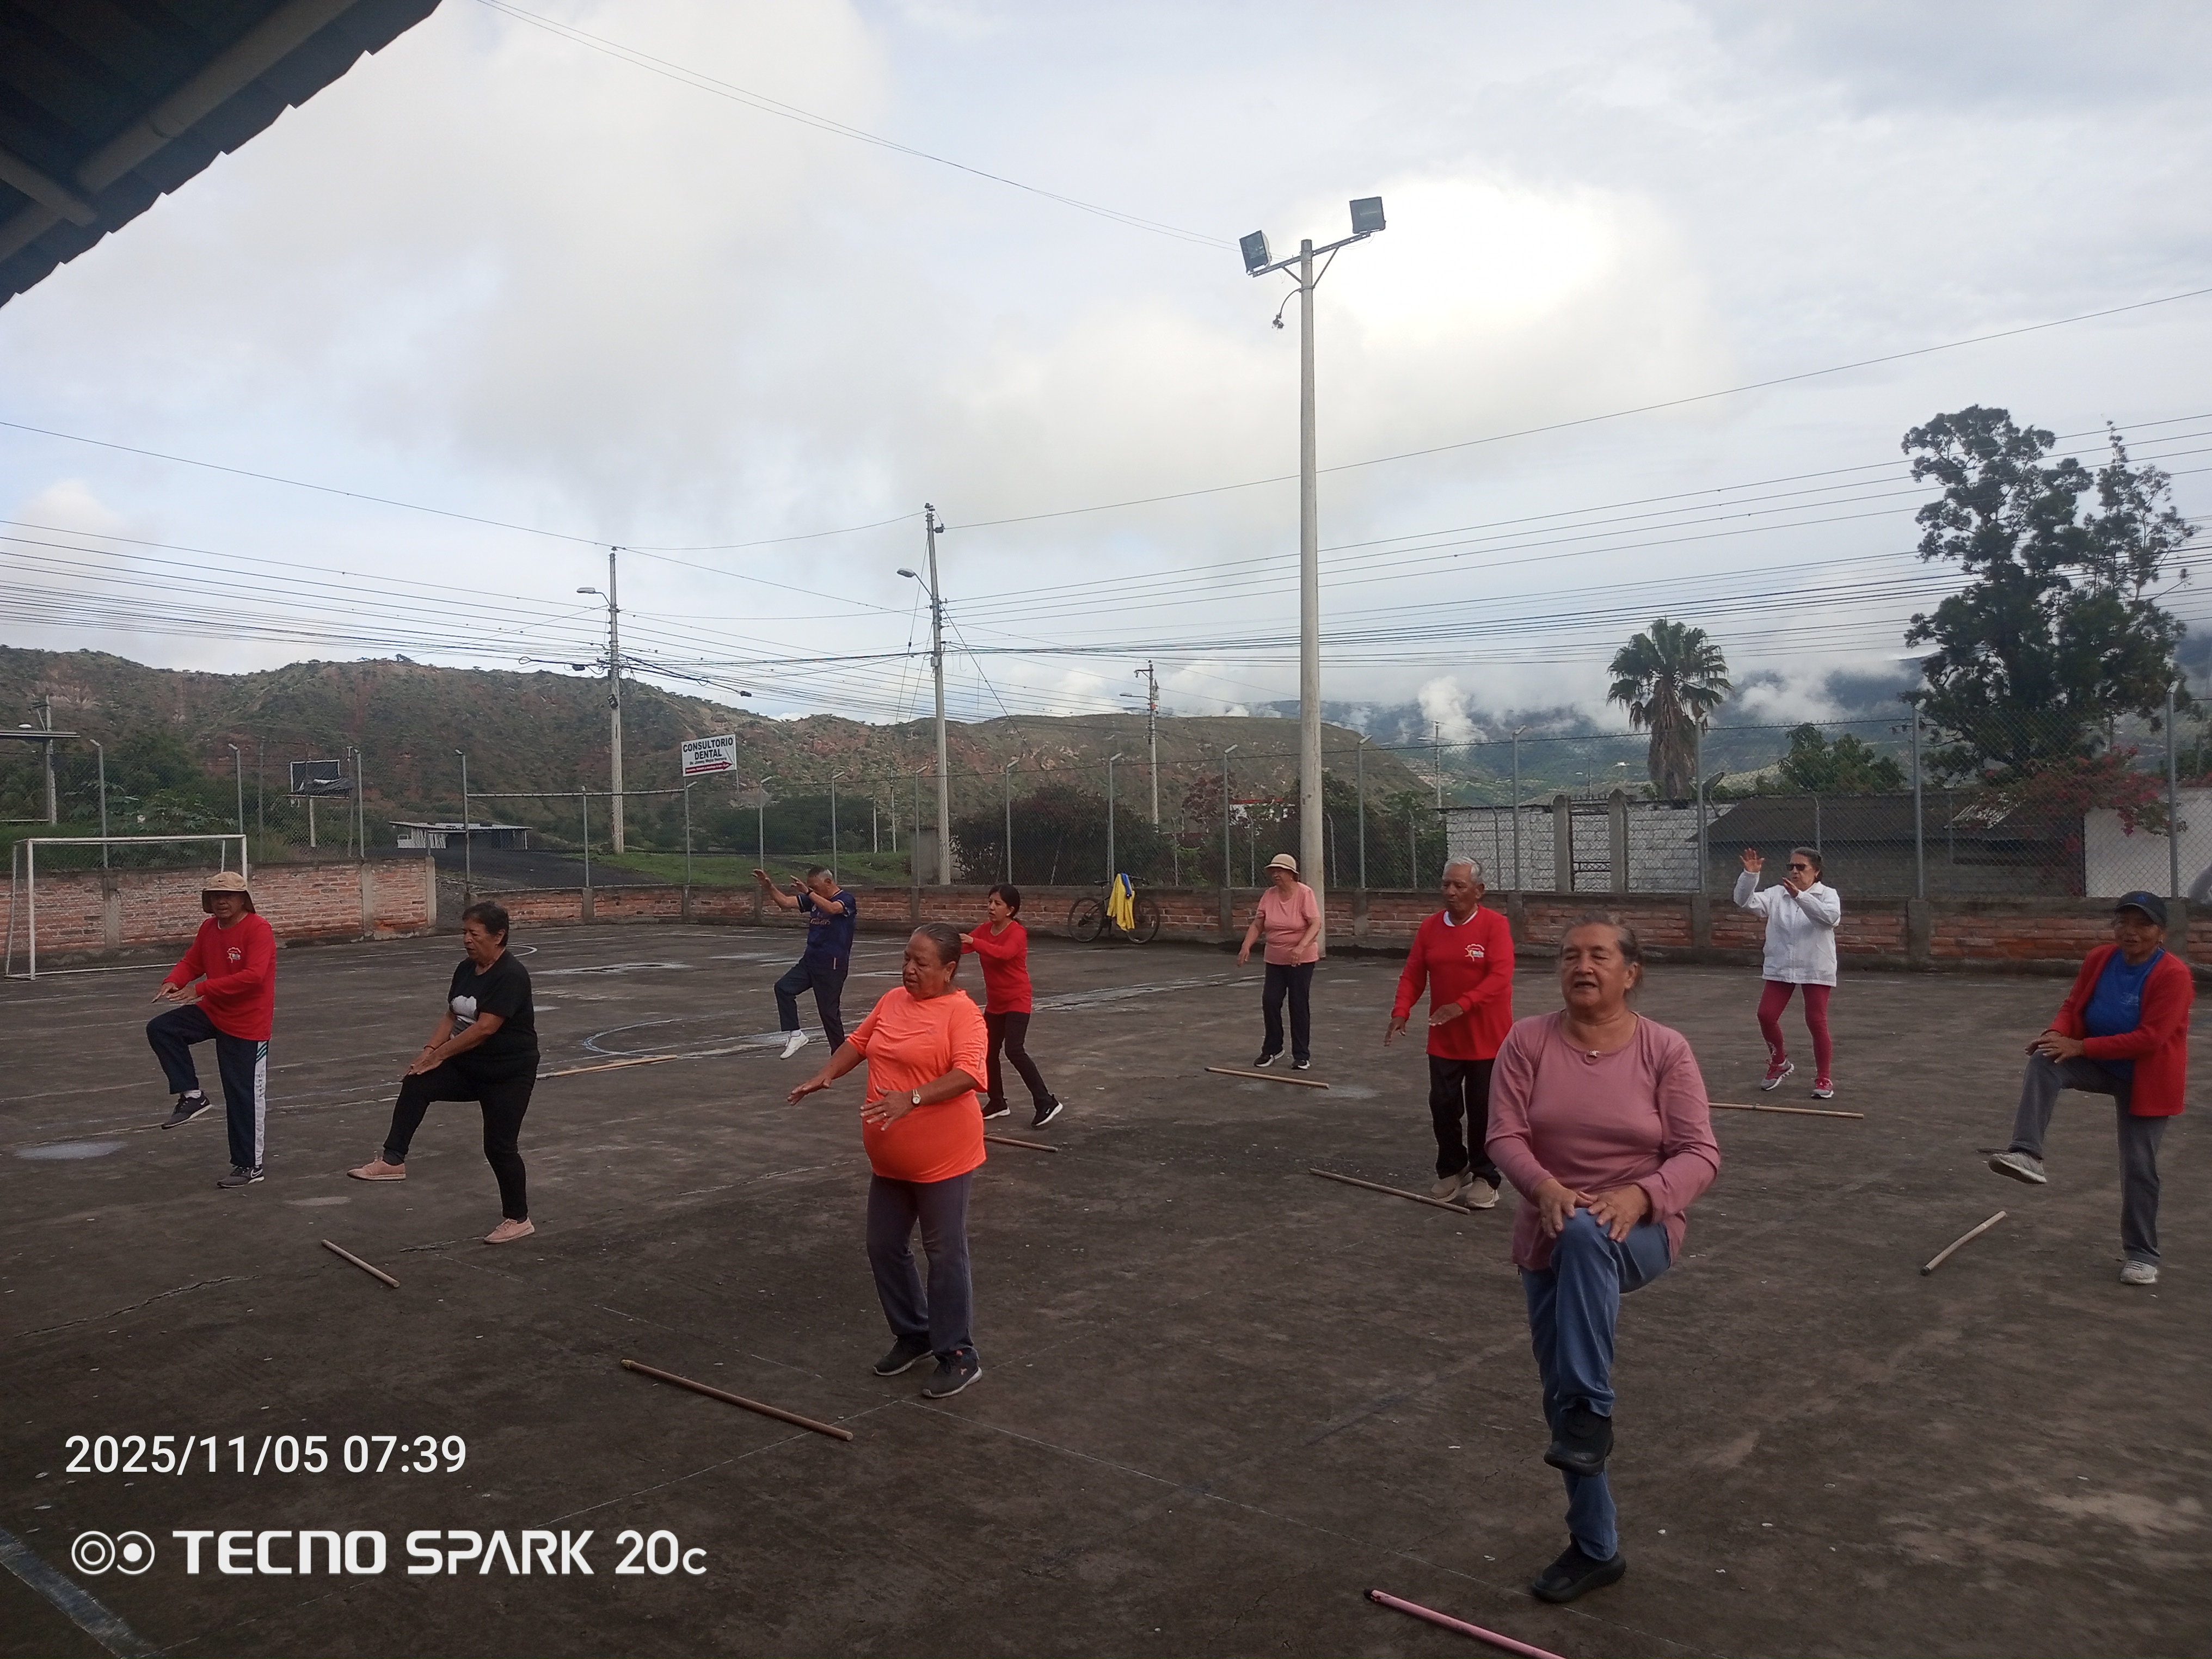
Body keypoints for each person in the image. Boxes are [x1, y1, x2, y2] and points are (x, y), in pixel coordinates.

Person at [1487, 917, 1721, 1605]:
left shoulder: (1663, 1049)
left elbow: (1700, 1153)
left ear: (1630, 972)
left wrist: (1641, 1195)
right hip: (1546, 1230)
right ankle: (1596, 1547)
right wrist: (1544, 1187)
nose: (1581, 966)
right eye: (1569, 956)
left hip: (1637, 1231)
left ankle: (1593, 1406)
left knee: (1590, 1241)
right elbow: (1502, 1135)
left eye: (1597, 955)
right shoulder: (1527, 1041)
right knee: (1559, 1400)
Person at [789, 923, 990, 1399]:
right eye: (906, 959)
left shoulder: (963, 1014)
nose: (909, 970)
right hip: (890, 1159)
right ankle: (915, 1333)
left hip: (943, 1158)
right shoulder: (892, 1001)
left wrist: (913, 1097)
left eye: (922, 963)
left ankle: (959, 1354)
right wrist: (826, 1073)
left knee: (944, 1253)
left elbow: (970, 1073)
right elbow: (859, 1043)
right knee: (883, 1245)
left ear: (949, 969)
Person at [1987, 890, 2192, 1286]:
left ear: (2161, 933)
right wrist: (2056, 1033)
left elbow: (2150, 1039)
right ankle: (2028, 1153)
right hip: (2099, 1065)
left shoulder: (2174, 975)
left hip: (2145, 1080)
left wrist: (2080, 1047)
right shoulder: (2100, 959)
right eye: (2123, 923)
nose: (2130, 932)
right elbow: (2073, 1006)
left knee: (2139, 1166)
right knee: (2044, 1058)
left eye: (2143, 925)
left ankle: (2143, 1255)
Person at [346, 901, 541, 1244]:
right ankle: (393, 1160)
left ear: (498, 936)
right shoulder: (466, 969)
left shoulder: (511, 975)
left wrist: (440, 1056)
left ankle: (518, 1219)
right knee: (417, 1082)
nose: (466, 940)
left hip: (507, 1074)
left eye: (474, 934)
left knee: (499, 1147)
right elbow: (452, 1015)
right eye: (464, 932)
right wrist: (427, 1053)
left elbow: (484, 1028)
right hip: (469, 1065)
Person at [1387, 856, 1516, 1207]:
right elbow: (1414, 973)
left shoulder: (1495, 926)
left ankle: (1486, 1176)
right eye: (1446, 884)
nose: (1451, 892)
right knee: (1442, 1105)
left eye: (1460, 885)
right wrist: (1401, 1011)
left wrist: (1462, 1004)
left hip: (1487, 1038)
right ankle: (1452, 1167)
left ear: (1479, 891)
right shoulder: (1430, 928)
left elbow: (1500, 976)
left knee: (1483, 1109)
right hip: (1444, 1037)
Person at [147, 869, 278, 1187]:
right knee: (162, 1029)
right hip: (214, 1012)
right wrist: (173, 980)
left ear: (243, 899)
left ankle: (249, 1166)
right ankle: (193, 1096)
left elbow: (254, 977)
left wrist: (200, 989)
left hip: (247, 1024)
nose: (221, 901)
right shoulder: (209, 928)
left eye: (229, 896)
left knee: (243, 1096)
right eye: (216, 896)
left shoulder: (258, 929)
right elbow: (193, 962)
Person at [1733, 845, 1842, 1098]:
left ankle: (1824, 1078)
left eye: (1801, 867)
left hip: (1815, 966)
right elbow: (1744, 901)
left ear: (1816, 872)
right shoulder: (1777, 894)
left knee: (1816, 1021)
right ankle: (1779, 1061)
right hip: (1781, 966)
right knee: (1766, 1015)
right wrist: (1750, 876)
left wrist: (1800, 897)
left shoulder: (1828, 895)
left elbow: (1829, 919)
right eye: (1791, 867)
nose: (1794, 871)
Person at [961, 883, 1063, 1129]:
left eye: (997, 904)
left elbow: (1003, 953)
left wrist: (974, 942)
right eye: (990, 902)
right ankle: (997, 1102)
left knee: (1014, 1050)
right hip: (995, 1003)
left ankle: (1046, 1101)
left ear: (1010, 910)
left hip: (1017, 1000)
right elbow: (963, 946)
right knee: (988, 1051)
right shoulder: (984, 930)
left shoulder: (1017, 932)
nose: (991, 907)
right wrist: (939, 944)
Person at [754, 864, 857, 1059]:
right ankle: (796, 1035)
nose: (812, 891)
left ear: (828, 882)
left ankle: (840, 1056)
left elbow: (833, 909)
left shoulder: (846, 899)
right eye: (811, 888)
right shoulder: (814, 899)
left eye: (815, 887)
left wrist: (809, 893)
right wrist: (769, 887)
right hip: (810, 961)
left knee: (829, 1014)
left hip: (832, 966)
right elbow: (785, 903)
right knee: (783, 988)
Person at [1238, 851, 1322, 1070]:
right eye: (1273, 871)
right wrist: (1246, 946)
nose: (1276, 874)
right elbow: (1258, 924)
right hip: (1275, 958)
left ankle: (1301, 1054)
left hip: (1301, 959)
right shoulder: (1269, 895)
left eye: (1281, 871)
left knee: (1298, 1003)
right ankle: (1273, 1048)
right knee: (1271, 1000)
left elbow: (1316, 924)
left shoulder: (1305, 894)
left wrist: (1300, 947)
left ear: (1291, 874)